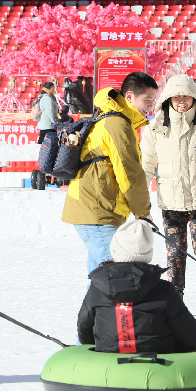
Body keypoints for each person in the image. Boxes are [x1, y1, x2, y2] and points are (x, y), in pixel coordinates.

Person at [141, 74, 196, 315]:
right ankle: (176, 296)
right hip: (170, 200)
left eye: (186, 96)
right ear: (168, 99)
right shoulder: (155, 128)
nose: (181, 101)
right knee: (175, 252)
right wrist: (139, 202)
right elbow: (146, 166)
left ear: (195, 98)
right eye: (176, 96)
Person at [62, 72, 157, 276]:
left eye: (153, 99)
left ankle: (93, 309)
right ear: (129, 96)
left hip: (99, 208)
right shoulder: (117, 124)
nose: (151, 105)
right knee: (118, 274)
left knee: (101, 278)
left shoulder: (118, 119)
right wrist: (143, 210)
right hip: (97, 211)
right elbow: (129, 173)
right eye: (147, 99)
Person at [77, 220, 196, 353]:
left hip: (107, 366)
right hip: (158, 367)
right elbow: (190, 337)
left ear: (115, 250)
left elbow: (84, 329)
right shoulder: (164, 290)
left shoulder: (97, 286)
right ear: (146, 255)